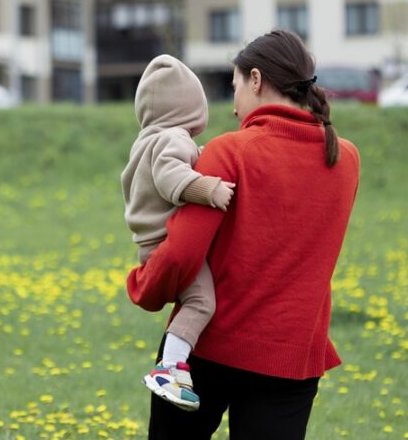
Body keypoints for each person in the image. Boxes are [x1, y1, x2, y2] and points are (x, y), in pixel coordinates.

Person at [127, 31, 361, 439]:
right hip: (293, 356)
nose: (234, 108)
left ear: (256, 80)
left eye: (234, 88)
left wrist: (143, 287)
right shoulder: (345, 159)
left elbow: (182, 253)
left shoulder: (229, 151)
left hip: (209, 349)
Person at [122, 55, 237, 411]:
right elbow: (171, 176)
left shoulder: (149, 139)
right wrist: (207, 189)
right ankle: (169, 368)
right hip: (166, 243)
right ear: (190, 108)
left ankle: (176, 367)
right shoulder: (173, 138)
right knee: (201, 302)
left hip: (149, 243)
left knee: (194, 300)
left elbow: (169, 164)